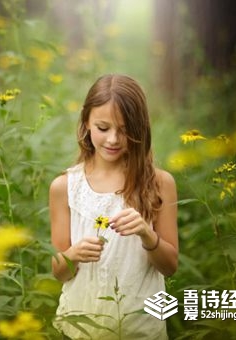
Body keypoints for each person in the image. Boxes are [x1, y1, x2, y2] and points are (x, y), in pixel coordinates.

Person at [49, 74, 179, 339]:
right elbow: (60, 272)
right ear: (86, 122)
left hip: (141, 329)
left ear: (140, 128)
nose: (113, 139)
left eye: (124, 129)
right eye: (103, 127)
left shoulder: (159, 183)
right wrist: (73, 254)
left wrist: (147, 234)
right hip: (82, 328)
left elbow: (170, 266)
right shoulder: (65, 187)